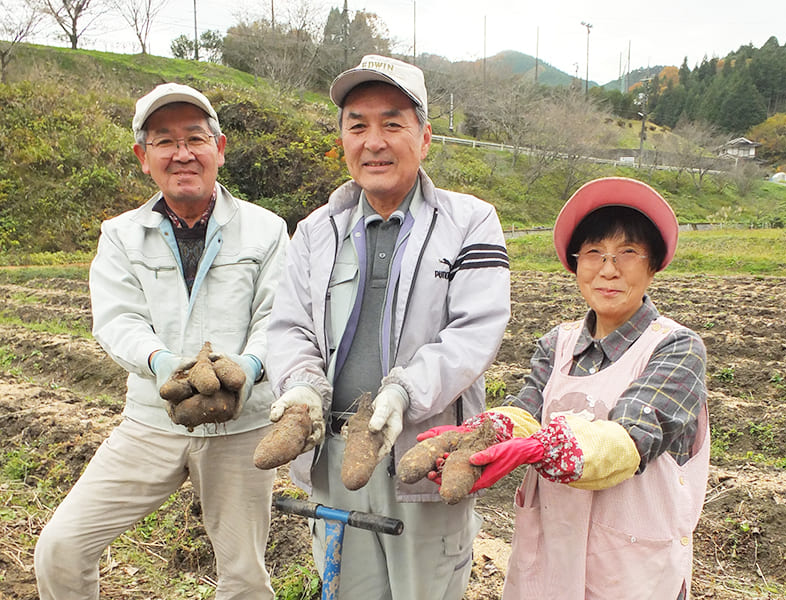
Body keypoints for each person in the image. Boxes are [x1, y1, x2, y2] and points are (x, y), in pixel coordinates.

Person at [263, 55, 511, 600]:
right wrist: (301, 385)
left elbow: (475, 330)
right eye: (358, 125)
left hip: (424, 456)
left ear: (424, 138)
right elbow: (287, 324)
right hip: (334, 459)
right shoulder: (314, 231)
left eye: (392, 123)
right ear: (343, 140)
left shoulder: (470, 221)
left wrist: (404, 391)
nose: (374, 141)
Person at [34, 82, 289, 599]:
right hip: (152, 420)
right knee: (61, 547)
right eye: (164, 141)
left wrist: (251, 364)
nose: (182, 153)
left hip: (242, 427)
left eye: (195, 137)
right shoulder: (121, 235)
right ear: (143, 157)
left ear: (218, 148)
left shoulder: (266, 231)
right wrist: (161, 362)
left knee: (244, 578)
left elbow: (279, 316)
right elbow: (117, 318)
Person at [419, 177, 710, 599]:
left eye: (627, 253)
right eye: (594, 253)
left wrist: (545, 447)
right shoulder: (558, 342)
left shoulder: (676, 346)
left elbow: (632, 437)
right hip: (552, 550)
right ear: (576, 264)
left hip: (628, 563)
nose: (608, 269)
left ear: (653, 265)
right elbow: (525, 412)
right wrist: (487, 432)